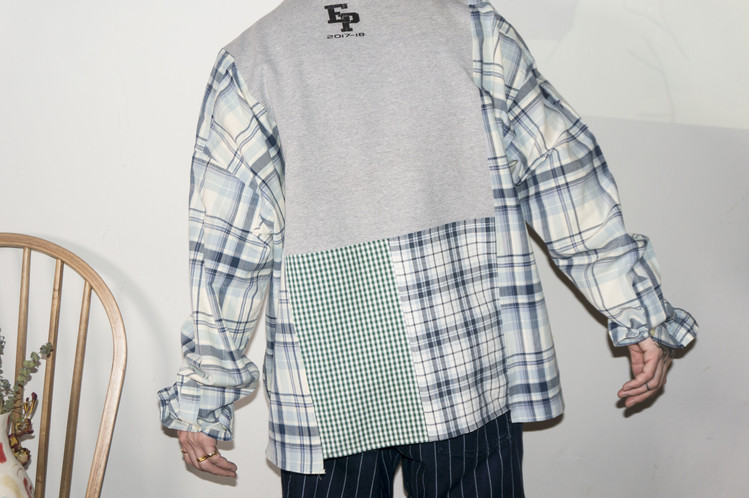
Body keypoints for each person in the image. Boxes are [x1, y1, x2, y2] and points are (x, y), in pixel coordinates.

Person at [158, 1, 698, 496]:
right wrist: (638, 310)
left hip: (333, 372)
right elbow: (562, 175)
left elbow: (228, 245)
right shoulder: (470, 26)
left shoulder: (256, 58)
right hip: (464, 358)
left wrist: (206, 395)